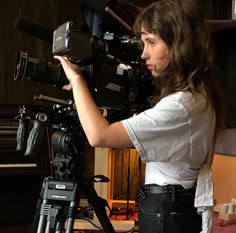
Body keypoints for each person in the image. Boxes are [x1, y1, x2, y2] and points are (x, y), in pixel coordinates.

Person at [54, 0, 225, 232]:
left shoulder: (181, 106)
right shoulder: (196, 98)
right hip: (173, 210)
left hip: (167, 214)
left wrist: (76, 80)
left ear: (178, 45)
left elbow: (99, 136)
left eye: (151, 42)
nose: (144, 54)